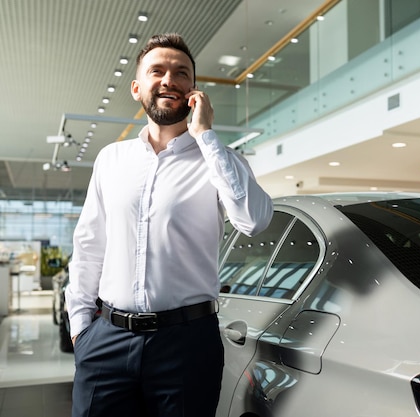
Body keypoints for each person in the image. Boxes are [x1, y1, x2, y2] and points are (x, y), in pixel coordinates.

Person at [65, 33, 273, 417]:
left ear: (193, 89)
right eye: (157, 71)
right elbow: (90, 244)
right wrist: (81, 329)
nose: (168, 80)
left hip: (187, 344)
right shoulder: (112, 159)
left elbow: (254, 221)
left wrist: (206, 136)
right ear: (137, 87)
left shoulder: (219, 159)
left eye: (181, 73)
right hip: (107, 339)